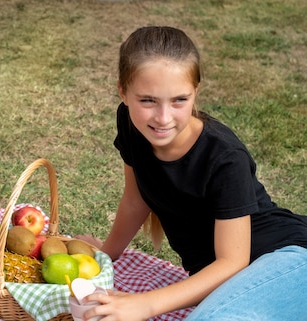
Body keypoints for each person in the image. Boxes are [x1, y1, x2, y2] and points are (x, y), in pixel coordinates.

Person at [78, 26, 307, 320]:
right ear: (123, 91)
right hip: (231, 284)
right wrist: (105, 256)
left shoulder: (224, 157)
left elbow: (232, 261)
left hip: (288, 258)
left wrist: (145, 304)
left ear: (195, 93)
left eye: (179, 100)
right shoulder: (132, 125)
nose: (162, 118)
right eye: (147, 100)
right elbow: (136, 200)